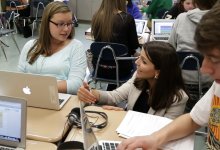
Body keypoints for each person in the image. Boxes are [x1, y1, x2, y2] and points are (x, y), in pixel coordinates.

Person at [117, 2, 220, 149]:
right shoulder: (217, 86)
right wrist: (155, 139)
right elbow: (193, 119)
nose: (203, 69)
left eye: (214, 59)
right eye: (204, 57)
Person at [78, 41, 189, 119]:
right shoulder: (139, 77)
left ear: (158, 72)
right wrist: (92, 93)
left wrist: (126, 116)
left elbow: (163, 133)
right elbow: (115, 96)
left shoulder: (178, 98)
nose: (137, 63)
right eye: (139, 57)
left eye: (144, 62)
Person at [18, 1, 87, 94]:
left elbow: (75, 85)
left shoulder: (76, 47)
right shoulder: (30, 46)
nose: (66, 29)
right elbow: (19, 78)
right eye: (60, 24)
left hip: (60, 100)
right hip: (30, 97)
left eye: (69, 23)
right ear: (47, 23)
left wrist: (36, 87)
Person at [168, 0, 217, 105]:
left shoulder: (181, 18)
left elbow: (170, 48)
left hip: (182, 81)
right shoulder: (216, 20)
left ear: (196, 3)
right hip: (210, 83)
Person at [90, 0, 140, 80]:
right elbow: (133, 46)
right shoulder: (127, 18)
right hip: (122, 71)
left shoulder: (96, 16)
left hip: (99, 68)